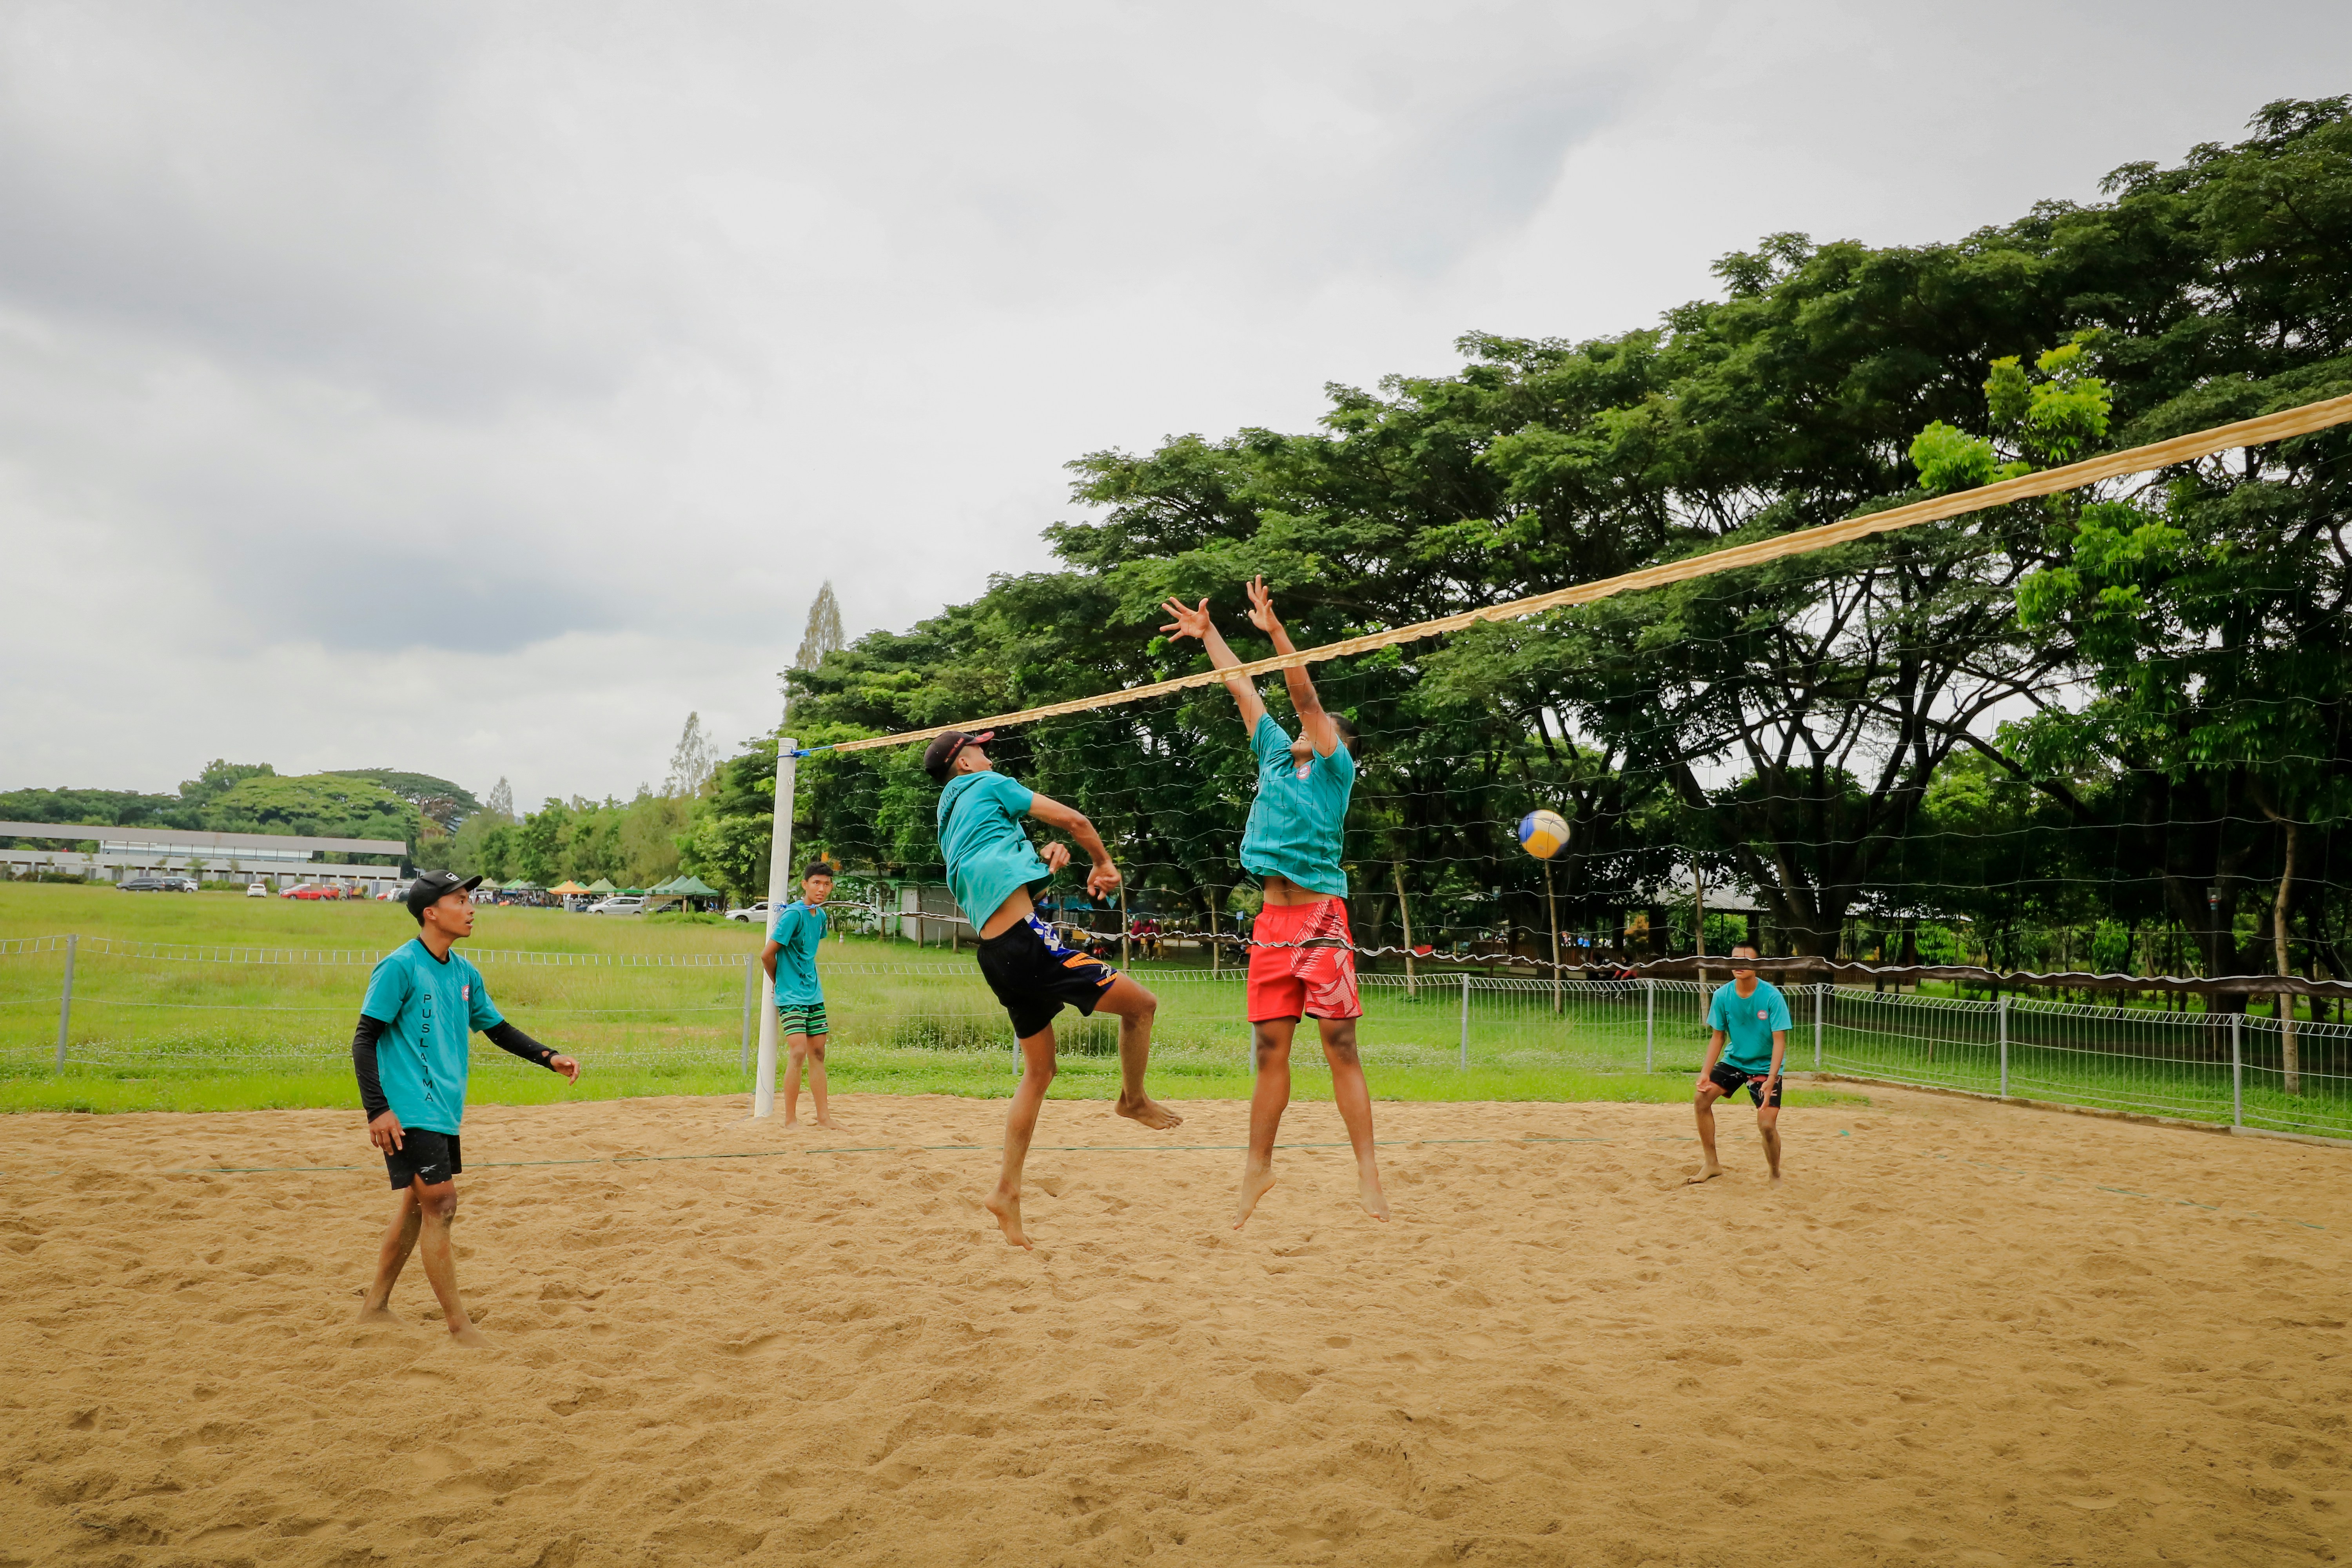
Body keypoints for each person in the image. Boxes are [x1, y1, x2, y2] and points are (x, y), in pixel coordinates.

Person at [1160, 576, 1389, 1229]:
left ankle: (1368, 1176)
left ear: (1334, 744)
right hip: (1271, 924)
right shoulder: (1270, 753)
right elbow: (1243, 687)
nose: (1303, 729)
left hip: (1320, 918)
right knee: (1268, 1051)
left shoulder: (1333, 770)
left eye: (1320, 730)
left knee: (1340, 1044)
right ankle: (1257, 1169)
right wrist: (1212, 636)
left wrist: (1278, 634)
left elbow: (1302, 693)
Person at [925, 728, 1184, 1249]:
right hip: (1028, 945)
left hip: (997, 955)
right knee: (1143, 1007)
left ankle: (1006, 1192)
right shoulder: (991, 784)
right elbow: (1076, 820)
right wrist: (1104, 863)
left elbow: (1001, 887)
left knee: (1040, 1073)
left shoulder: (951, 823)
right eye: (980, 749)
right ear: (966, 765)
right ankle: (1133, 1100)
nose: (989, 753)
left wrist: (1046, 869)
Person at [352, 870, 581, 1345]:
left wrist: (548, 1056)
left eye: (470, 899)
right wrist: (378, 1110)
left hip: (441, 1109)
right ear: (431, 912)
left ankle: (375, 1307)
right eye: (460, 900)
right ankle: (460, 1327)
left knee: (417, 1206)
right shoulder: (400, 966)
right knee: (442, 1202)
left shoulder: (464, 973)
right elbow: (364, 1038)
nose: (472, 907)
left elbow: (497, 1029)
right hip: (408, 1109)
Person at [1689, 942, 1791, 1186]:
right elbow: (1718, 1037)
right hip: (1735, 1061)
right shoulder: (1722, 995)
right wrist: (1705, 1073)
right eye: (1735, 960)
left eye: (1746, 960)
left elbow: (1780, 1042)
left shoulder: (1772, 997)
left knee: (1766, 1125)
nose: (1739, 965)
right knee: (1701, 1099)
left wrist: (1771, 1079)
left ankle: (1775, 1172)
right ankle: (1712, 1164)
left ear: (1758, 966)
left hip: (1765, 1067)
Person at [763, 860, 837, 1128]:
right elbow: (767, 954)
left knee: (818, 1052)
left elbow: (808, 954)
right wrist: (779, 983)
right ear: (805, 884)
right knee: (798, 1052)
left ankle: (824, 1118)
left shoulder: (821, 917)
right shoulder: (793, 914)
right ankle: (790, 1119)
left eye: (827, 884)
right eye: (816, 882)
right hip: (792, 996)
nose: (822, 888)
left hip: (814, 994)